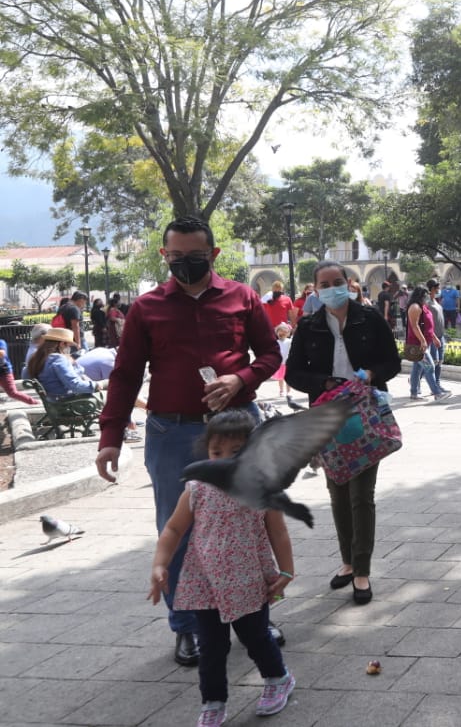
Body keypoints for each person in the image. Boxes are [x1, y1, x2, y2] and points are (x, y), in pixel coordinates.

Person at [94, 214, 282, 667]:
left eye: (194, 257)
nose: (184, 264)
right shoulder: (147, 307)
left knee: (251, 522)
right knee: (176, 529)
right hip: (170, 430)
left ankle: (257, 616)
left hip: (237, 426)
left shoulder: (243, 296)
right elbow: (125, 374)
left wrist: (240, 378)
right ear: (164, 255)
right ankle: (188, 626)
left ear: (213, 255)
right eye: (175, 256)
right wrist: (110, 435)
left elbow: (271, 354)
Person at [148, 410, 296, 726]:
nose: (224, 460)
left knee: (256, 637)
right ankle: (213, 701)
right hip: (204, 583)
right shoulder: (197, 488)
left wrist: (286, 572)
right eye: (217, 452)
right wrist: (161, 564)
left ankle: (277, 678)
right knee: (211, 648)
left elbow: (278, 532)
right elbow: (173, 530)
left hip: (248, 581)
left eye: (236, 452)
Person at [285, 260, 400, 606]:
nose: (333, 287)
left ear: (349, 283)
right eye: (325, 283)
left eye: (339, 281)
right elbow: (292, 373)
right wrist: (324, 382)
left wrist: (368, 373)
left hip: (365, 415)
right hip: (326, 417)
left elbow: (392, 363)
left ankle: (362, 570)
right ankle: (348, 562)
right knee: (337, 493)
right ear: (315, 289)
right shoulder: (309, 327)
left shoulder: (370, 319)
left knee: (361, 495)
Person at [29, 326, 106, 402]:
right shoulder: (58, 359)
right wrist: (96, 385)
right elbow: (75, 385)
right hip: (67, 401)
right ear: (62, 344)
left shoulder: (37, 358)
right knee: (108, 389)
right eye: (68, 345)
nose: (69, 348)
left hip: (52, 399)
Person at [406, 286, 449, 400]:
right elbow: (415, 326)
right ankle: (437, 393)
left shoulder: (423, 306)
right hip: (417, 344)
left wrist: (434, 338)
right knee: (430, 367)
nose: (427, 297)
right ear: (420, 295)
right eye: (425, 295)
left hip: (424, 343)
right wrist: (423, 340)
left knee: (417, 369)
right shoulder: (415, 307)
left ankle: (414, 393)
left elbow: (427, 325)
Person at [425, 279, 451, 398]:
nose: (439, 290)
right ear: (432, 289)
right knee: (433, 363)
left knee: (439, 361)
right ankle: (433, 386)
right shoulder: (427, 303)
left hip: (440, 336)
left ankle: (437, 384)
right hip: (433, 337)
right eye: (437, 288)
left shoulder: (436, 301)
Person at [0, 330, 38, 405]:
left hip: (4, 372)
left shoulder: (1, 342)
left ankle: (34, 402)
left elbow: (2, 354)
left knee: (12, 393)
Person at [271, 323, 292, 397]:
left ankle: (288, 391)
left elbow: (292, 349)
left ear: (287, 333)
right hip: (280, 363)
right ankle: (281, 390)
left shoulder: (289, 341)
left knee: (288, 378)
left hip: (287, 362)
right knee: (281, 378)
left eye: (284, 332)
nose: (282, 333)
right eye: (280, 332)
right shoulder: (276, 342)